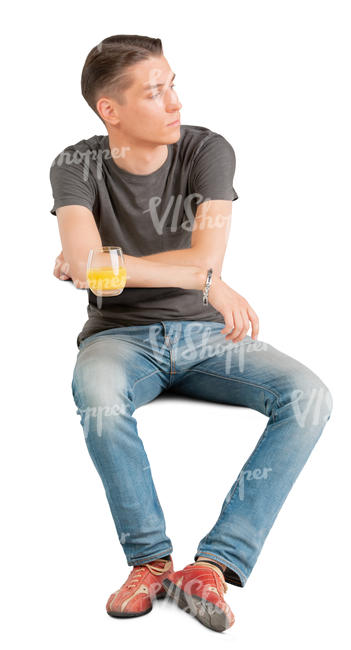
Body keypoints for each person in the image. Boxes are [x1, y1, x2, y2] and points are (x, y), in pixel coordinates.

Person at [49, 34, 333, 633]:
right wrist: (189, 275)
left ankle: (215, 563)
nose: (175, 101)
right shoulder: (75, 164)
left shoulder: (208, 149)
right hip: (116, 339)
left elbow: (205, 257)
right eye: (156, 92)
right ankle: (149, 561)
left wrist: (116, 263)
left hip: (207, 335)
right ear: (111, 110)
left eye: (173, 83)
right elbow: (83, 264)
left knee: (309, 396)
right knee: (98, 397)